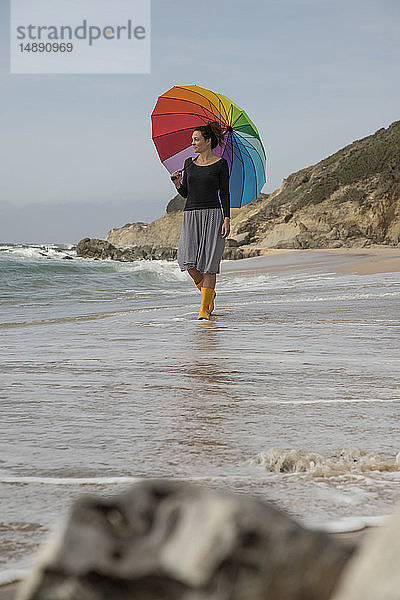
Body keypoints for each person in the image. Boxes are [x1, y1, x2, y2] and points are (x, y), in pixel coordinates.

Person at [171, 121, 231, 320]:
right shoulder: (189, 163)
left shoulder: (221, 164)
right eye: (192, 140)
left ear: (208, 141)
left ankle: (204, 310)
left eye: (196, 139)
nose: (193, 143)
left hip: (214, 215)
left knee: (209, 264)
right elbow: (186, 193)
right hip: (191, 215)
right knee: (187, 261)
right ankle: (209, 294)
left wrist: (227, 219)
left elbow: (225, 193)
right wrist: (178, 182)